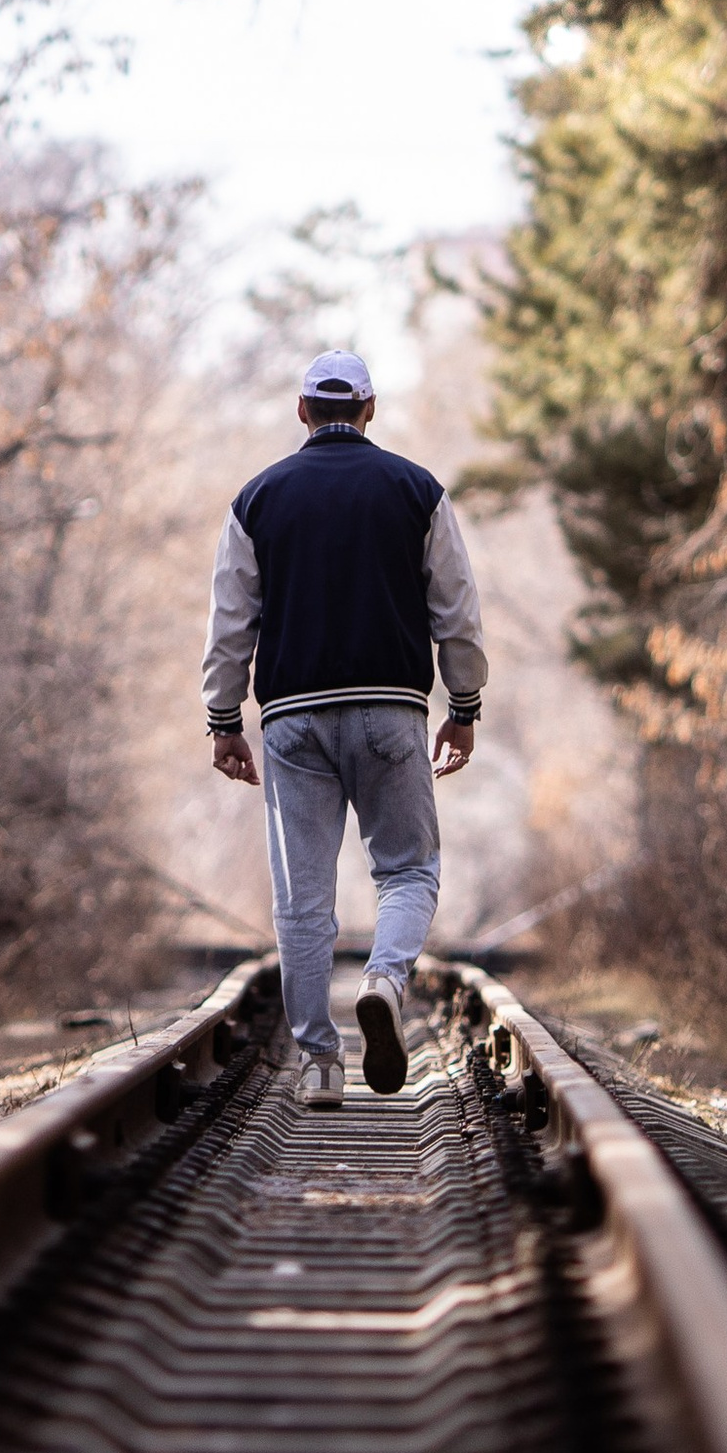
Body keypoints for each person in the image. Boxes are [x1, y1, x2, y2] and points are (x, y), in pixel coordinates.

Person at [203, 349, 489, 1109]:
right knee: (408, 870)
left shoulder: (257, 499)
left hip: (293, 720)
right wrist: (464, 705)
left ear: (302, 411)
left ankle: (320, 1065)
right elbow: (455, 610)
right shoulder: (416, 490)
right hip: (392, 710)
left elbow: (233, 621)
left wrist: (223, 716)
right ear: (370, 410)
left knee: (303, 900)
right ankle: (386, 979)